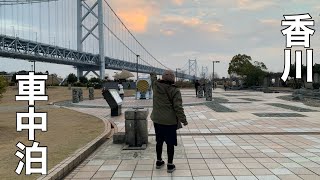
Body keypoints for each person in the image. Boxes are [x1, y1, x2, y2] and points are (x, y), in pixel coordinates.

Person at [150, 70, 188, 173]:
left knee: (159, 140)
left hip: (157, 119)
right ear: (173, 79)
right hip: (169, 122)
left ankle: (158, 161)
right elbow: (178, 107)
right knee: (170, 143)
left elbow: (153, 78)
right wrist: (184, 120)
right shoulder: (175, 90)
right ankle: (170, 165)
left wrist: (153, 74)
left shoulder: (155, 85)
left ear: (162, 77)